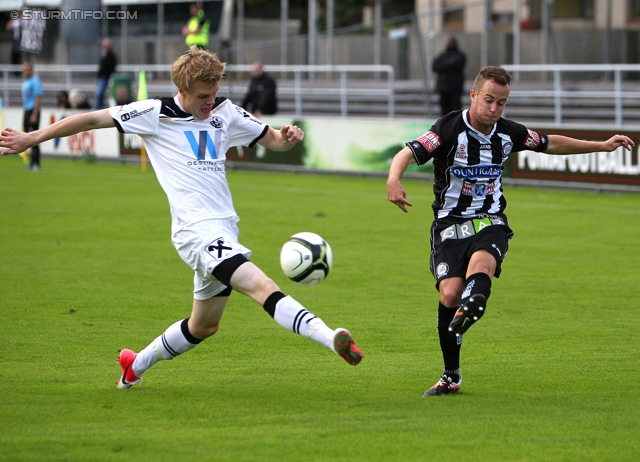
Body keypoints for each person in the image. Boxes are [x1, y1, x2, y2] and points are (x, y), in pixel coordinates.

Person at [0, 46, 363, 389]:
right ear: (181, 89)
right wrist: (32, 138)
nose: (210, 102)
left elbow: (273, 140)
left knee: (204, 326)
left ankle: (134, 365)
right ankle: (331, 337)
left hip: (225, 230)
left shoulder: (226, 112)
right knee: (261, 286)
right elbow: (91, 118)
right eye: (203, 97)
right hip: (195, 232)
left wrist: (289, 136)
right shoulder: (154, 114)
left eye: (214, 93)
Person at [386, 66, 634, 397]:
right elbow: (408, 152)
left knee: (482, 263)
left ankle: (475, 301)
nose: (494, 109)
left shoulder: (507, 133)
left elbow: (549, 143)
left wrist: (601, 146)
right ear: (474, 95)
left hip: (490, 220)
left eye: (501, 103)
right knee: (448, 295)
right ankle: (451, 374)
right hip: (448, 223)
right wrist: (393, 179)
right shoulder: (447, 128)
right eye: (489, 100)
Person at [432, 36, 466, 116]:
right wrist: (448, 66)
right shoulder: (442, 55)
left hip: (455, 88)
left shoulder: (460, 55)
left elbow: (457, 65)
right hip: (443, 88)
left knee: (455, 110)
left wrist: (445, 66)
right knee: (444, 110)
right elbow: (435, 66)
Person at [21, 61, 43, 170]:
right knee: (27, 136)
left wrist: (34, 113)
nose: (25, 71)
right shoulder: (26, 82)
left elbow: (38, 97)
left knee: (34, 136)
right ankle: (31, 162)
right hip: (26, 110)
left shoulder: (35, 81)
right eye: (24, 69)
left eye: (27, 69)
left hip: (32, 111)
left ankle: (36, 162)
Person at [94, 37, 117, 110]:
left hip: (107, 77)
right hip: (102, 77)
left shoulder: (111, 56)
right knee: (98, 93)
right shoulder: (103, 54)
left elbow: (111, 67)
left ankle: (99, 107)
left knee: (100, 92)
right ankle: (98, 107)